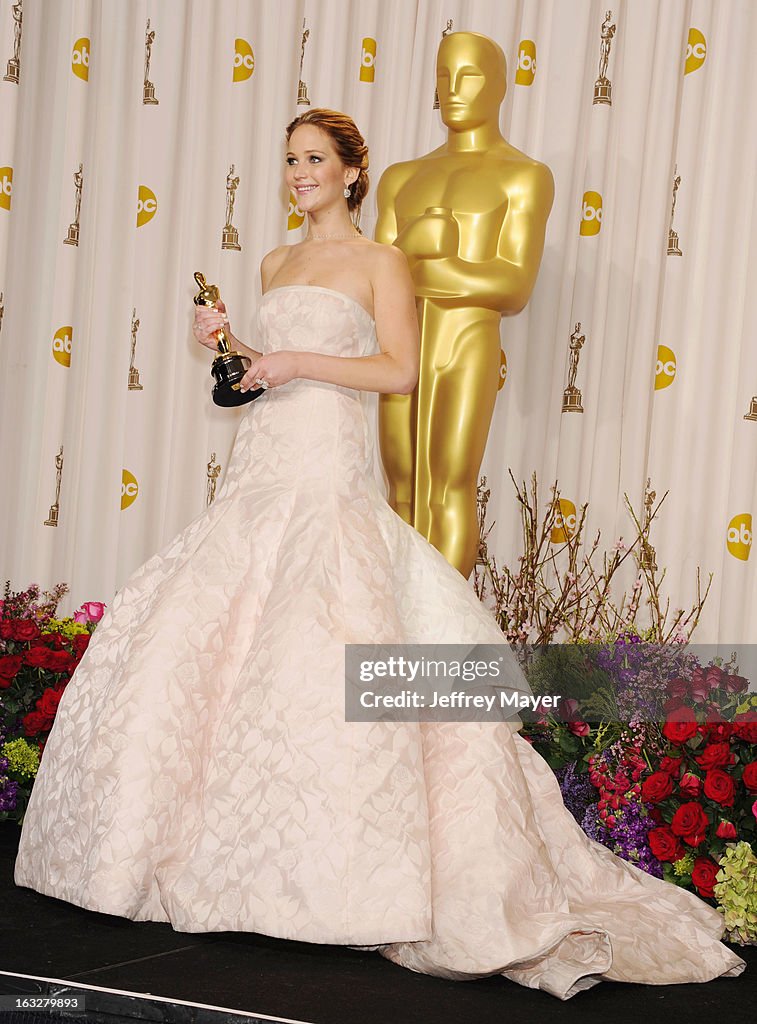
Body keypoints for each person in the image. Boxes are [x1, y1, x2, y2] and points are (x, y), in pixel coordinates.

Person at [14, 109, 745, 1000]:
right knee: (206, 648)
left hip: (328, 476)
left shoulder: (380, 261)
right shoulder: (275, 262)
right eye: (288, 159)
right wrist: (233, 350)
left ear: (354, 173)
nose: (299, 173)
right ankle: (193, 864)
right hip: (260, 474)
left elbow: (397, 370)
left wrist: (288, 359)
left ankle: (345, 885)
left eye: (315, 159)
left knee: (325, 645)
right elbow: (257, 380)